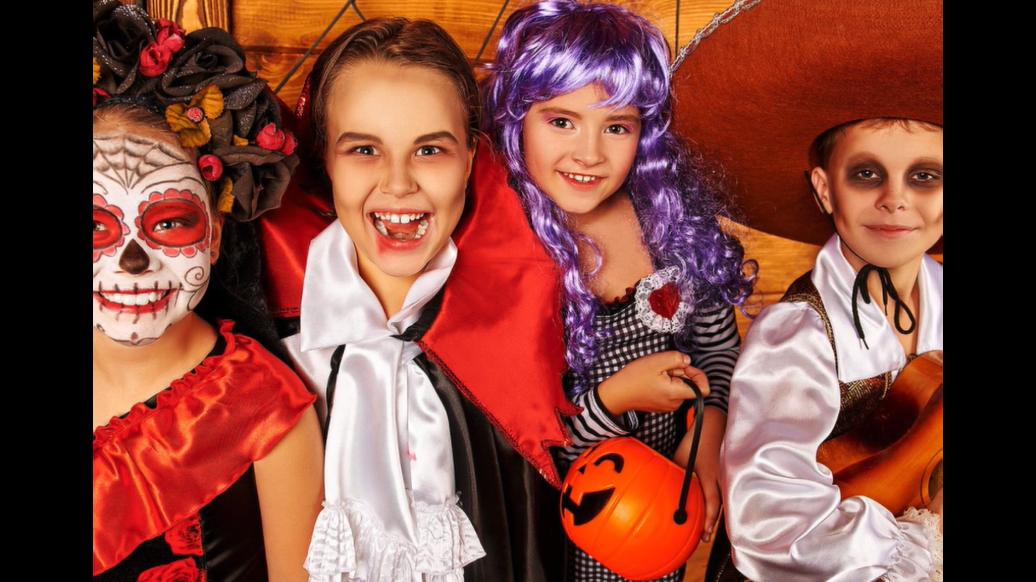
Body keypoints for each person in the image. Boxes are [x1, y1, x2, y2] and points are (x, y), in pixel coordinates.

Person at [279, 18, 577, 582]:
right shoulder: (275, 343)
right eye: (364, 149)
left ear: (469, 159)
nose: (398, 184)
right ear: (326, 160)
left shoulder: (524, 328)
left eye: (430, 150)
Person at [667, 1, 944, 580]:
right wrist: (924, 537)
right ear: (823, 188)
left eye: (924, 176)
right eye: (866, 174)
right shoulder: (798, 336)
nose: (896, 200)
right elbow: (771, 525)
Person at [482, 2, 754, 579]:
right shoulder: (498, 249)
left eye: (616, 127)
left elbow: (717, 350)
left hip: (654, 525)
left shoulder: (670, 225)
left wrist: (707, 429)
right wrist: (613, 402)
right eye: (561, 121)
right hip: (543, 542)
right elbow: (509, 441)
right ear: (517, 118)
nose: (589, 153)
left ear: (644, 132)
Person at [92, 2, 323, 580]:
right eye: (96, 226)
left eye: (170, 222)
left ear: (215, 237)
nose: (134, 262)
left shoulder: (263, 409)